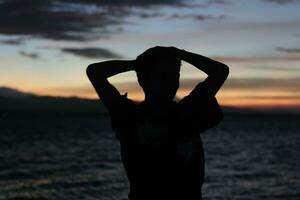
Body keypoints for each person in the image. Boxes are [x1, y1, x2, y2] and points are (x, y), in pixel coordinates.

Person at [86, 46, 229, 200]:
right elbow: (94, 72)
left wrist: (180, 54)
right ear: (143, 81)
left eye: (175, 76)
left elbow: (220, 71)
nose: (171, 83)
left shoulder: (187, 110)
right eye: (162, 76)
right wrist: (137, 64)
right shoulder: (128, 115)